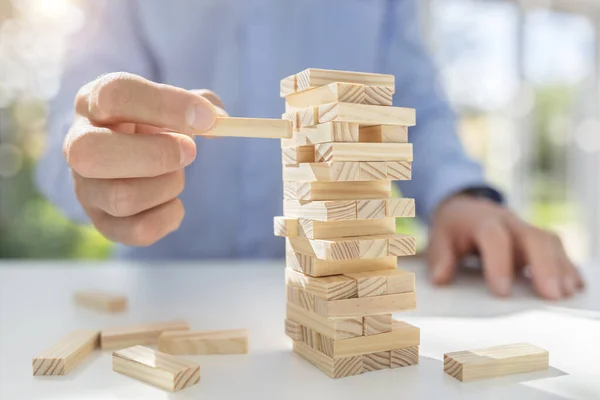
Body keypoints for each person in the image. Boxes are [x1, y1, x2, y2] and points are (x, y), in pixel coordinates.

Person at [36, 0, 583, 300]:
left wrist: (460, 193)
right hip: (161, 291)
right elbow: (76, 113)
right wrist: (88, 154)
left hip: (336, 286)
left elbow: (412, 104)